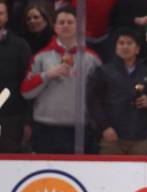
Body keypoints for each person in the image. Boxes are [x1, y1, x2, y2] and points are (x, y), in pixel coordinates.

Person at [20, 6, 101, 154]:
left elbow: (100, 95)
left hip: (80, 130)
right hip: (46, 129)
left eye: (70, 22)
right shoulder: (41, 57)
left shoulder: (92, 59)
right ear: (55, 27)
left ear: (79, 26)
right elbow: (26, 92)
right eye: (61, 22)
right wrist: (47, 75)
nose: (66, 26)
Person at [88, 28, 147, 155]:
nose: (125, 46)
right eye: (121, 43)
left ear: (137, 49)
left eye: (129, 43)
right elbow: (93, 102)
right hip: (111, 137)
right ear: (115, 47)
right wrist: (104, 127)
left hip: (140, 138)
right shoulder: (103, 71)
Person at [0, 0, 31, 153]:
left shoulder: (19, 46)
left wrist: (27, 120)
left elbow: (27, 84)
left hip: (11, 119)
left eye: (0, 13)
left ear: (7, 17)